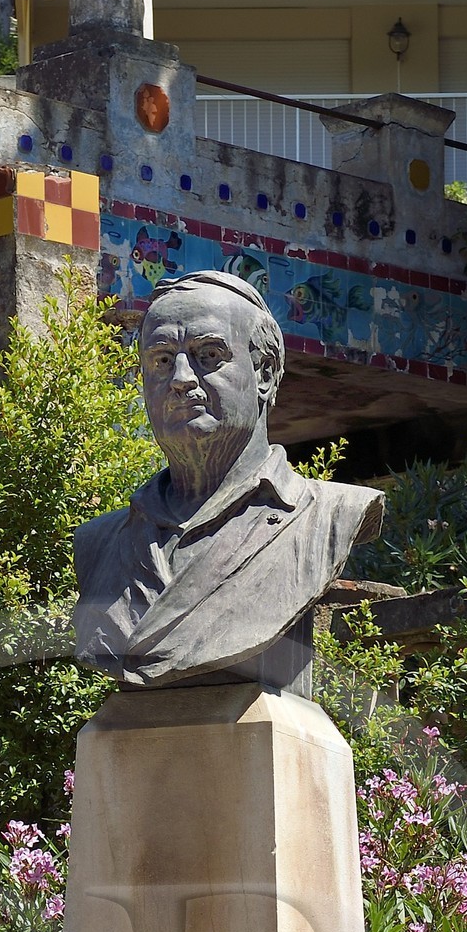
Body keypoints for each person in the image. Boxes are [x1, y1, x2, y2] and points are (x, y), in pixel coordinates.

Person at [73, 269, 382, 688]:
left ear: (266, 373)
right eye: (162, 360)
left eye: (208, 355)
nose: (181, 379)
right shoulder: (98, 543)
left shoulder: (327, 515)